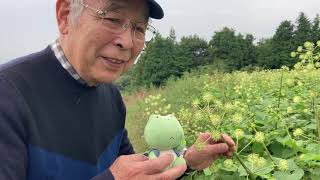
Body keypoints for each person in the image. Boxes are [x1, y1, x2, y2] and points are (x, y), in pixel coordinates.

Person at [0, 0, 236, 179]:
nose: (128, 42)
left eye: (139, 28)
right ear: (64, 16)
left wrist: (186, 160)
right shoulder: (8, 94)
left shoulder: (110, 96)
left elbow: (135, 170)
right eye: (112, 19)